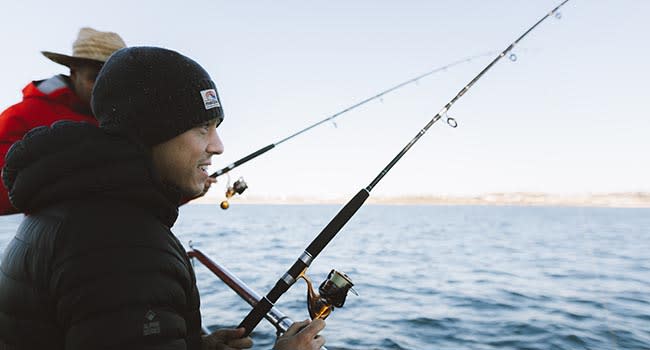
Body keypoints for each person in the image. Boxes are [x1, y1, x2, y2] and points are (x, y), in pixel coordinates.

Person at [0, 47, 326, 349]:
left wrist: (194, 344)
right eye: (202, 128)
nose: (218, 146)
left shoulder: (75, 206)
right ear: (151, 133)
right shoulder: (124, 248)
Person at [0, 27, 126, 215]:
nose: (105, 87)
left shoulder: (133, 121)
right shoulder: (20, 117)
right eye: (95, 77)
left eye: (114, 79)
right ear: (73, 73)